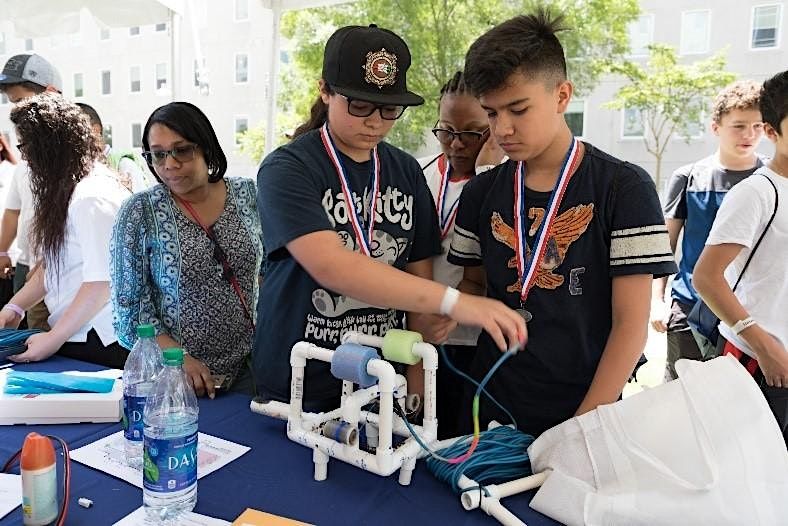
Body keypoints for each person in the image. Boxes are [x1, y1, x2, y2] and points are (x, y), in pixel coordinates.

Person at [253, 24, 525, 413]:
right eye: (360, 105)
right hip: (301, 376)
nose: (375, 122)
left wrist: (416, 377)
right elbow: (332, 265)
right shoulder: (288, 168)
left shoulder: (405, 171)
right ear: (325, 90)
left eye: (389, 109)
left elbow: (418, 273)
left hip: (381, 375)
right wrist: (456, 302)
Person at [448, 10, 677, 437]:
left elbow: (631, 324)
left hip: (584, 408)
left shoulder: (622, 188)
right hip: (487, 406)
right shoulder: (481, 193)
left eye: (518, 109)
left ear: (562, 95)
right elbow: (474, 286)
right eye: (491, 114)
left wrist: (582, 427)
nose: (503, 129)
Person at [111, 102, 264, 398]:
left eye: (182, 150)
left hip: (252, 367)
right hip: (175, 381)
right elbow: (128, 313)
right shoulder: (139, 213)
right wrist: (178, 359)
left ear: (205, 147)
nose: (169, 164)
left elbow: (271, 270)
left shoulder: (249, 195)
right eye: (158, 154)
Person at [0, 94, 130, 367]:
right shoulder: (69, 190)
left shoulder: (92, 196)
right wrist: (15, 307)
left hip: (99, 340)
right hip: (77, 334)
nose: (25, 160)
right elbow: (55, 265)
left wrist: (53, 338)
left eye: (26, 148)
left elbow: (103, 282)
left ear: (49, 147)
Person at [694, 69, 788, 444]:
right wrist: (765, 347)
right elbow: (706, 277)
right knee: (743, 478)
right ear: (771, 132)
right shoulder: (757, 193)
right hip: (758, 361)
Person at [652, 80, 765, 380]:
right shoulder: (689, 177)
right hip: (689, 309)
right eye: (739, 126)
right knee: (680, 403)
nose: (749, 135)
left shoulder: (772, 181)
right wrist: (657, 303)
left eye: (757, 126)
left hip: (750, 314)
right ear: (716, 127)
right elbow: (664, 247)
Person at [419, 70, 505, 438]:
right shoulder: (420, 171)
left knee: (458, 435)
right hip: (419, 331)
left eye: (471, 133)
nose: (455, 144)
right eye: (446, 131)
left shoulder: (504, 179)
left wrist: (487, 169)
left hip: (470, 340)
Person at [0, 53, 62, 330]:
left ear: (51, 94)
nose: (17, 113)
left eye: (23, 102)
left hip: (64, 270)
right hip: (27, 266)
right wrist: (2, 252)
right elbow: (12, 212)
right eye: (12, 104)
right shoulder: (24, 163)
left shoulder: (74, 159)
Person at [77, 102, 154, 193]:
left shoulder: (124, 164)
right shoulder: (81, 168)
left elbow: (141, 204)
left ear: (95, 130)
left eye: (74, 133)